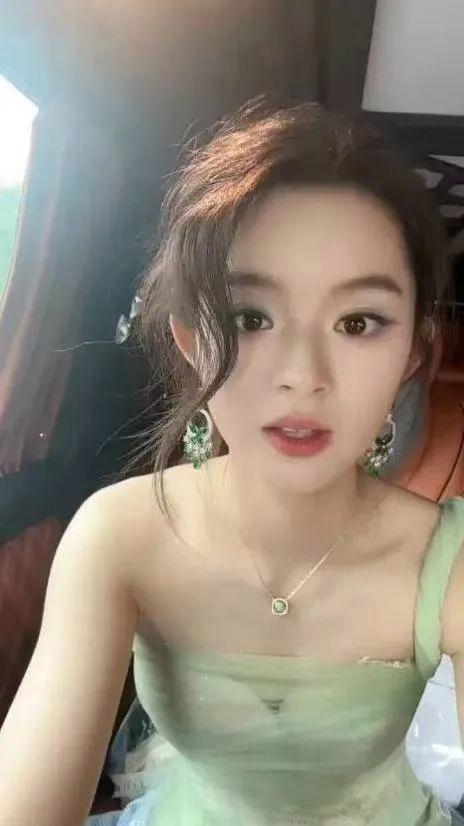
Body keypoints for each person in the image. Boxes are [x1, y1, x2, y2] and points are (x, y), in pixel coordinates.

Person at [1, 96, 464, 826]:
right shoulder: (120, 534)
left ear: (411, 352)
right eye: (250, 318)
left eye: (357, 322)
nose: (302, 375)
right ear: (192, 342)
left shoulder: (450, 561)